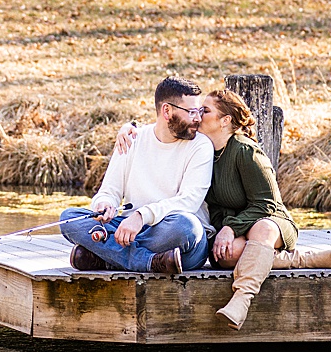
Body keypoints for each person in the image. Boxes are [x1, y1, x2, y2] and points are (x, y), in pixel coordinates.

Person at [115, 89, 331, 327]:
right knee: (226, 256)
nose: (197, 115)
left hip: (270, 223)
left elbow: (267, 204)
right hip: (235, 230)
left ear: (225, 121)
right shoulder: (202, 151)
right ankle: (300, 260)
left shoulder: (245, 152)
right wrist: (130, 127)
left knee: (261, 230)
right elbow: (166, 122)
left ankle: (241, 299)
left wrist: (230, 228)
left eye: (205, 111)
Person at [58, 77, 214, 276]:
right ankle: (148, 262)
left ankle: (108, 257)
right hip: (132, 231)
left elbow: (189, 202)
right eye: (191, 112)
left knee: (187, 226)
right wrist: (104, 205)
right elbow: (109, 191)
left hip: (176, 238)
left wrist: (142, 216)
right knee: (68, 219)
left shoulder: (200, 146)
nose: (198, 118)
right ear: (167, 111)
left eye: (199, 111)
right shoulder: (132, 139)